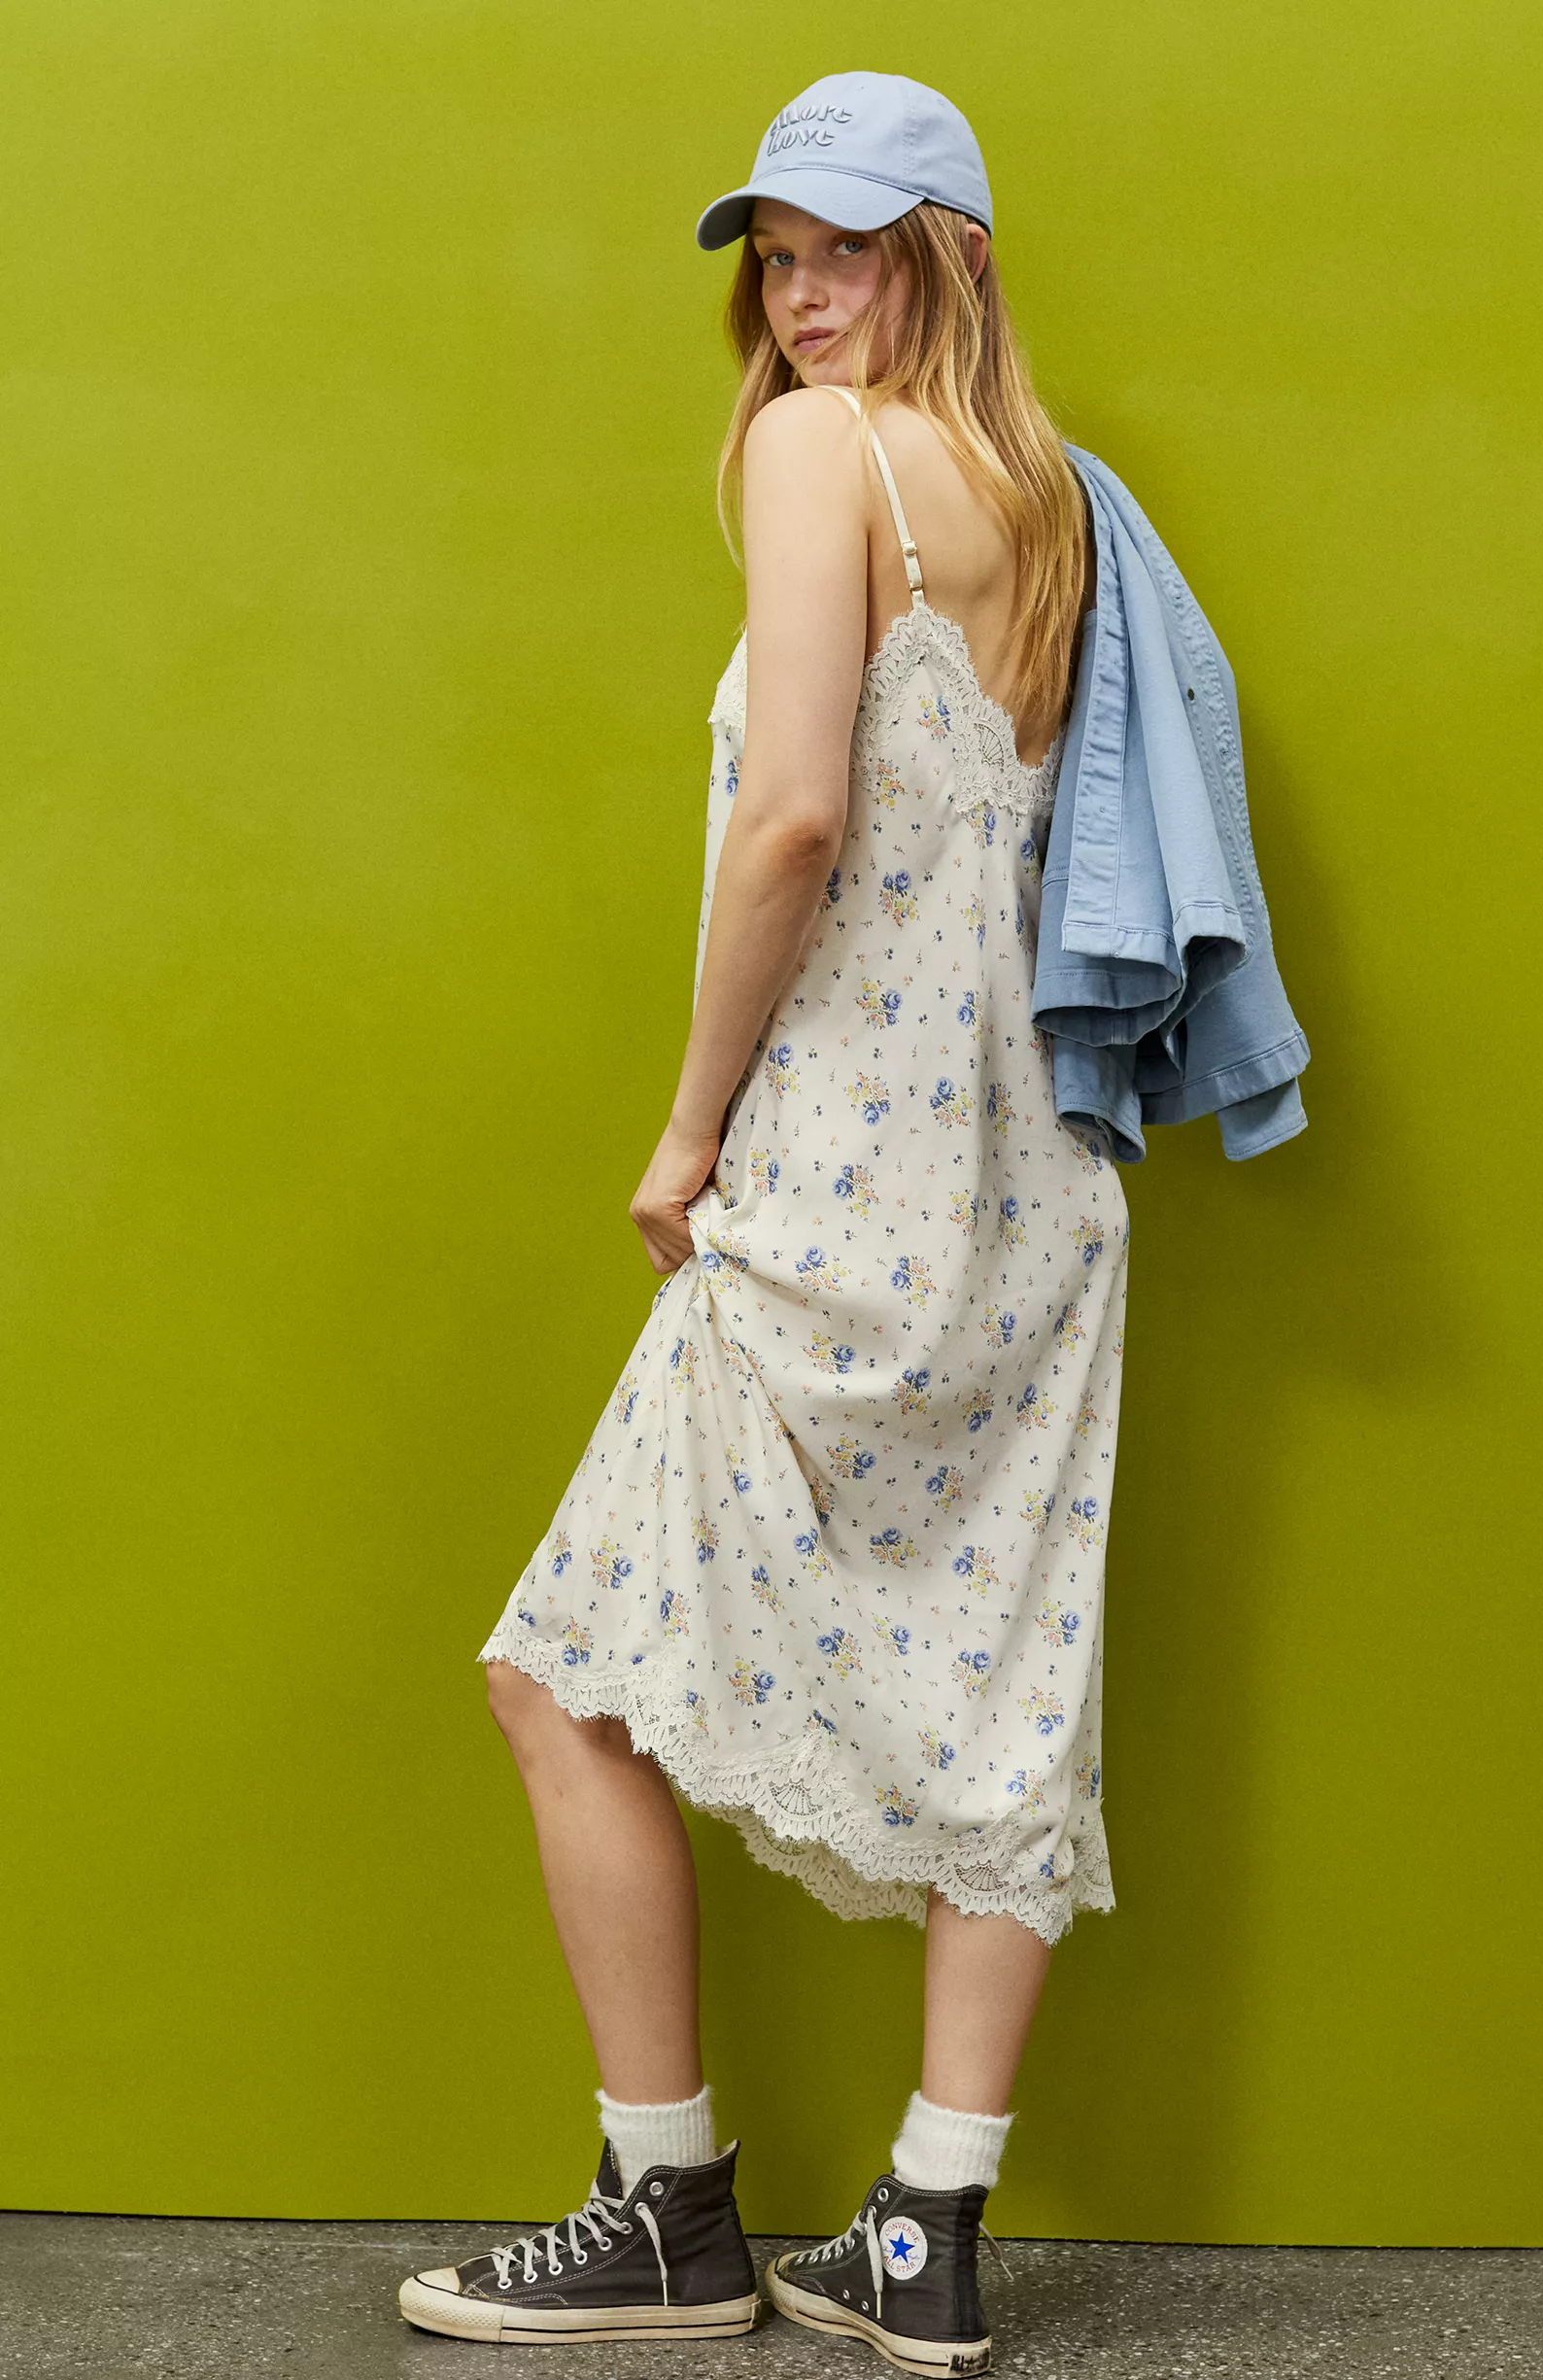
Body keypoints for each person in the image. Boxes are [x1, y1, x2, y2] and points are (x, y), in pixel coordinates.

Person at [398, 72, 1127, 2374]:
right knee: (1001, 1688)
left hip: (840, 1168)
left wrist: (688, 1128)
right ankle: (925, 2231)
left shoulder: (825, 457)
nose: (801, 301)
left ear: (950, 256)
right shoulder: (1057, 501)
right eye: (777, 261)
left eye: (849, 251)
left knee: (557, 1670)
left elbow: (798, 816)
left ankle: (667, 2212)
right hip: (1032, 1183)